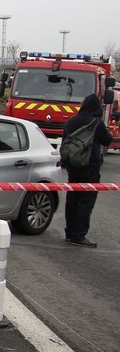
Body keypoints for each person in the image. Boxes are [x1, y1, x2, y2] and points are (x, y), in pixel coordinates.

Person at [61, 94, 112, 248]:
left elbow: (65, 141)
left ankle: (69, 232)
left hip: (72, 165)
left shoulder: (71, 121)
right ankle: (79, 235)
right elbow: (107, 140)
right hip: (89, 166)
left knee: (72, 198)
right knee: (86, 201)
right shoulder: (96, 123)